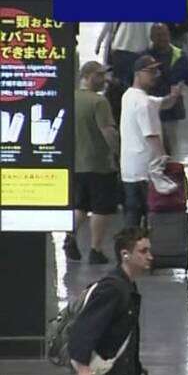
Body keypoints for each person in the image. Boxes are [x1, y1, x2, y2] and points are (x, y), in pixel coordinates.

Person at [66, 227, 152, 375]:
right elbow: (85, 328)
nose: (150, 256)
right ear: (125, 254)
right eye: (143, 251)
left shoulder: (127, 285)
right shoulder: (112, 288)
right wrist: (82, 368)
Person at [67, 62, 120, 265]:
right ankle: (96, 249)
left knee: (80, 205)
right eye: (99, 75)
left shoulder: (71, 98)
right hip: (99, 163)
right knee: (101, 208)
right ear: (87, 76)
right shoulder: (99, 102)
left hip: (76, 163)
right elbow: (107, 130)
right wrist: (117, 152)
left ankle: (70, 236)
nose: (104, 80)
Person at [119, 56, 177, 228]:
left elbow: (162, 103)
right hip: (146, 170)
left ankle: (127, 250)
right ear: (137, 74)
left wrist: (173, 96)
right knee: (149, 215)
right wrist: (164, 159)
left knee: (131, 214)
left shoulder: (129, 96)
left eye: (156, 71)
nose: (155, 75)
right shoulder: (144, 103)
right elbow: (151, 135)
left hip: (129, 168)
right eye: (150, 71)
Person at [144, 23, 188, 154]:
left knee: (171, 146)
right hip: (150, 110)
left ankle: (170, 170)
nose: (163, 38)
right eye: (158, 35)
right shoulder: (145, 57)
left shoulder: (179, 55)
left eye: (165, 35)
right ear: (152, 37)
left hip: (172, 111)